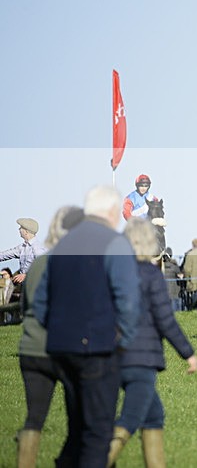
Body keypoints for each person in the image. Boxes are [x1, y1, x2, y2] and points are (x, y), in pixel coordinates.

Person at [33, 185, 141, 466]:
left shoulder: (60, 247)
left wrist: (57, 332)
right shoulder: (115, 243)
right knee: (97, 434)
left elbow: (40, 301)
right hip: (98, 349)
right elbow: (129, 302)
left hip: (61, 348)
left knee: (76, 429)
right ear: (112, 211)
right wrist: (124, 342)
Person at [107, 218, 197, 466]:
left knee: (154, 415)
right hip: (140, 359)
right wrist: (188, 353)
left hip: (110, 356)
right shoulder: (150, 274)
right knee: (130, 418)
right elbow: (165, 320)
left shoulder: (112, 271)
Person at [16, 206, 83, 467]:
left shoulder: (37, 265)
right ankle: (68, 461)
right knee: (76, 413)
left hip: (31, 348)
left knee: (34, 417)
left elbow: (24, 309)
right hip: (62, 348)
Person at [0, 217, 47, 285]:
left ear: (26, 232)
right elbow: (5, 255)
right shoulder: (23, 247)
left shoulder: (38, 249)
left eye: (21, 228)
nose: (19, 229)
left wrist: (26, 275)